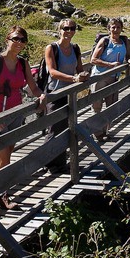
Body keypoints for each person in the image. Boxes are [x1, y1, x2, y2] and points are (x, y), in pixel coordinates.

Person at [0, 27, 45, 210]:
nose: (19, 43)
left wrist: (41, 96)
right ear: (7, 39)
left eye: (23, 40)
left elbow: (33, 88)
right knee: (3, 160)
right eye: (16, 38)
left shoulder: (22, 63)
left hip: (16, 116)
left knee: (6, 156)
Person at [42, 19, 90, 169]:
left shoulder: (75, 48)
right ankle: (47, 162)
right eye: (66, 28)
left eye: (72, 28)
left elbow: (79, 67)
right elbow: (52, 72)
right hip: (55, 93)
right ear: (60, 30)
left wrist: (84, 75)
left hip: (70, 93)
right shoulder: (52, 48)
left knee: (67, 127)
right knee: (54, 129)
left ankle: (60, 163)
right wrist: (74, 78)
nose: (69, 31)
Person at [87, 17, 130, 136]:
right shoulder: (105, 41)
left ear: (121, 29)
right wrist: (110, 65)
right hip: (99, 77)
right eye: (113, 27)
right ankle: (97, 132)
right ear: (108, 29)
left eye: (118, 27)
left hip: (114, 78)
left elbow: (129, 56)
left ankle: (105, 130)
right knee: (97, 105)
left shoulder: (124, 41)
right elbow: (93, 59)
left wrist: (129, 60)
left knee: (112, 106)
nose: (116, 29)